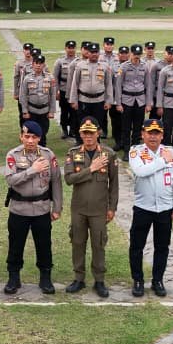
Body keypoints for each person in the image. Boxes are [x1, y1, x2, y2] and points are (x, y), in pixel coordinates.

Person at [127, 118, 173, 298]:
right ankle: (137, 280)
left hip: (165, 208)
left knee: (162, 246)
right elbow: (141, 171)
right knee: (137, 245)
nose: (153, 137)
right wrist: (162, 161)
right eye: (149, 133)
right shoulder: (135, 152)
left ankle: (157, 280)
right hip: (143, 207)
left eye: (157, 133)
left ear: (162, 135)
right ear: (142, 134)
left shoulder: (172, 153)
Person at [3, 121, 63, 295]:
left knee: (44, 245)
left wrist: (57, 207)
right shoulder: (12, 155)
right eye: (26, 136)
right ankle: (13, 277)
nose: (30, 140)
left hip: (41, 209)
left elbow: (56, 182)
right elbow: (11, 180)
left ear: (39, 138)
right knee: (15, 245)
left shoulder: (48, 155)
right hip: (19, 209)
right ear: (21, 136)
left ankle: (45, 277)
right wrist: (33, 169)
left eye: (34, 137)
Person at [64, 117, 117, 298]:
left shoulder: (108, 154)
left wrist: (112, 208)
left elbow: (114, 184)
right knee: (78, 243)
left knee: (98, 244)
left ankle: (99, 280)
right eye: (85, 133)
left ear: (98, 133)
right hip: (78, 208)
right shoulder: (73, 153)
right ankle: (79, 278)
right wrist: (91, 169)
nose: (88, 136)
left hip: (99, 209)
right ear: (80, 133)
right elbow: (69, 179)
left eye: (91, 133)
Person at [115, 45, 152, 159]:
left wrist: (148, 103)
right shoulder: (124, 66)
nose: (137, 57)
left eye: (138, 55)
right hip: (127, 100)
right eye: (135, 55)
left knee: (138, 127)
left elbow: (148, 85)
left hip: (140, 101)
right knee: (126, 127)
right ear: (131, 54)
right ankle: (127, 150)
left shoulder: (145, 66)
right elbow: (118, 86)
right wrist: (118, 103)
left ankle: (135, 149)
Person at [67, 42, 111, 136]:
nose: (94, 54)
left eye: (96, 52)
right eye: (92, 52)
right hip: (83, 100)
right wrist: (73, 100)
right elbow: (75, 84)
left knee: (97, 124)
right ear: (88, 53)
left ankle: (96, 142)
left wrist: (108, 101)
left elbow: (108, 85)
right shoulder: (80, 65)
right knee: (82, 123)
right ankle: (80, 143)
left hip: (99, 101)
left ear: (99, 53)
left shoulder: (105, 66)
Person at [19, 53, 59, 147]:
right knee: (30, 133)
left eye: (40, 63)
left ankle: (42, 153)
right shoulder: (27, 78)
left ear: (44, 65)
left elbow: (53, 95)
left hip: (44, 111)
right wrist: (25, 111)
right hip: (31, 110)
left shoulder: (50, 78)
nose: (38, 65)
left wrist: (52, 111)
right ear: (32, 64)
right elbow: (23, 95)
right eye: (36, 63)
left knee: (43, 134)